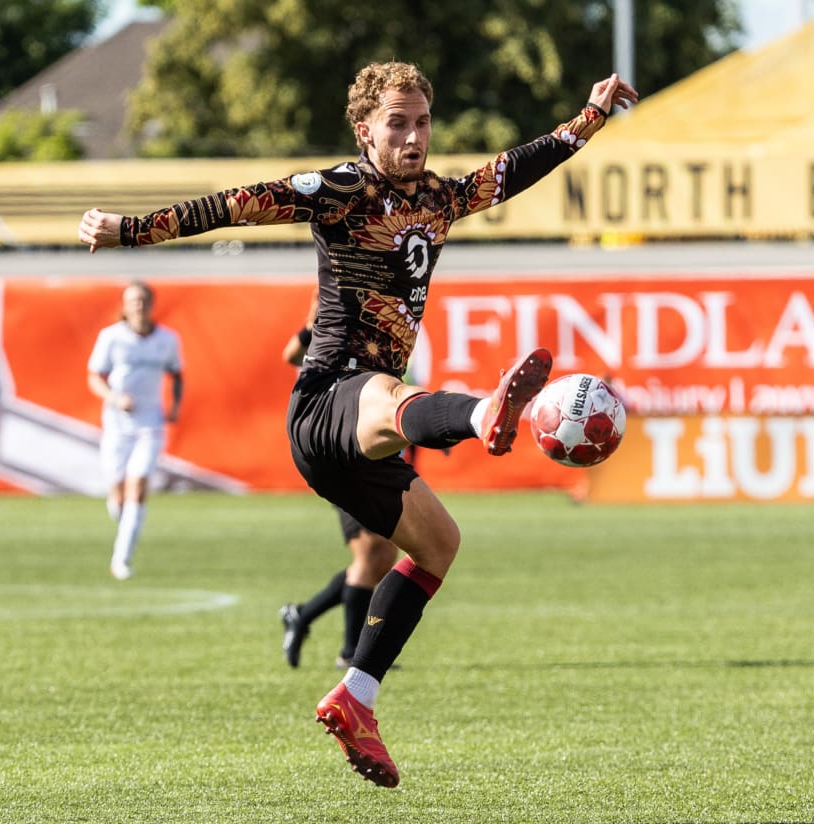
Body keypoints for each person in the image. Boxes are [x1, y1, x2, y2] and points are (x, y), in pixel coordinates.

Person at [78, 61, 637, 787]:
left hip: (362, 432)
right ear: (365, 129)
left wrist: (588, 118)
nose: (413, 136)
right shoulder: (342, 189)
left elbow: (512, 170)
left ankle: (357, 696)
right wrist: (130, 232)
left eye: (423, 122)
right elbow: (240, 202)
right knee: (388, 395)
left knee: (438, 543)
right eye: (397, 123)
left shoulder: (439, 196)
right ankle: (481, 411)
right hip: (327, 400)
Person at [279, 301, 400, 671]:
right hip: (340, 447)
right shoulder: (336, 323)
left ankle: (302, 614)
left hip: (371, 447)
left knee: (381, 557)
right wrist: (313, 324)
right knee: (371, 554)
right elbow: (290, 355)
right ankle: (350, 652)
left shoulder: (383, 329)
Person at [87, 280, 183, 581]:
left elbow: (177, 373)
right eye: (133, 300)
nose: (138, 305)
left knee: (137, 487)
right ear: (125, 305)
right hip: (117, 427)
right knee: (117, 496)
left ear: (151, 304)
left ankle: (121, 559)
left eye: (143, 300)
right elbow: (94, 377)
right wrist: (115, 398)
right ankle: (126, 524)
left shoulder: (167, 339)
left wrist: (175, 406)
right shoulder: (112, 338)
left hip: (149, 425)